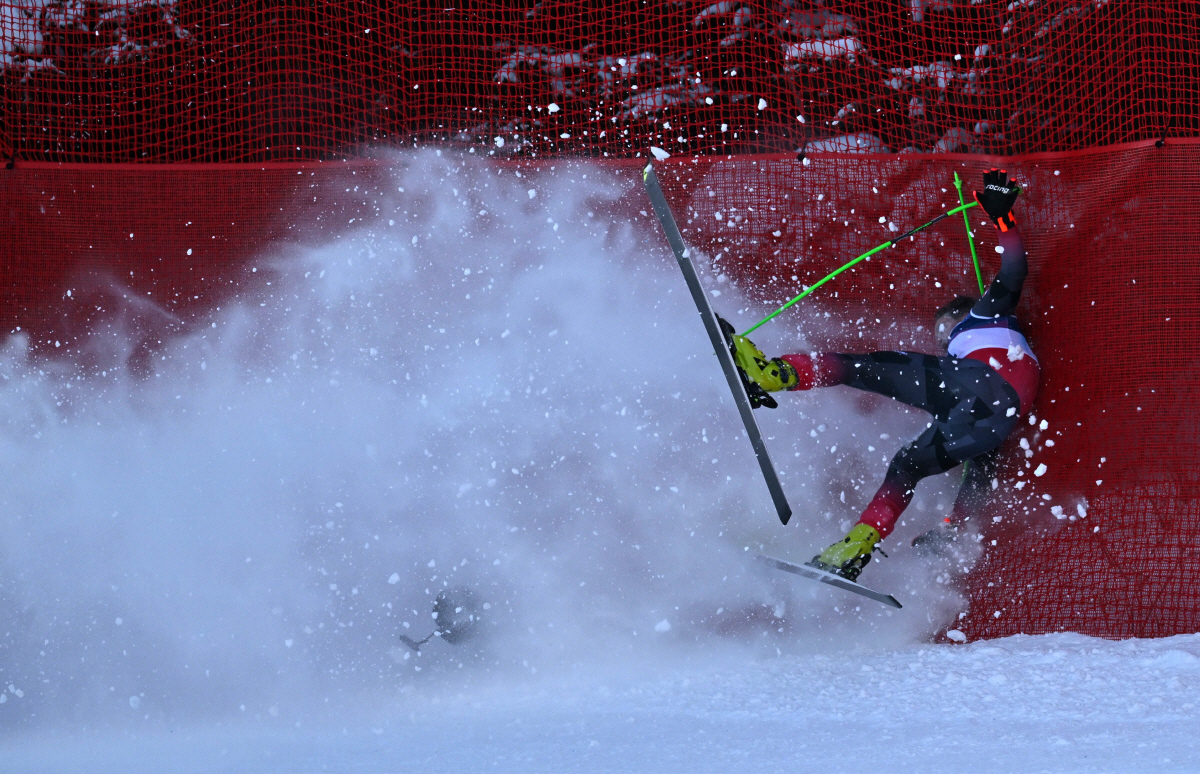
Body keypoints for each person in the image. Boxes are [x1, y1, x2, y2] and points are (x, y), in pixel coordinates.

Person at [730, 169, 1038, 582]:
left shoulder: (984, 315)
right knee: (907, 466)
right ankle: (857, 546)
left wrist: (1003, 217)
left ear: (964, 313)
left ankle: (773, 374)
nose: (942, 341)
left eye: (943, 329)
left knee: (859, 367)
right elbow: (979, 480)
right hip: (993, 419)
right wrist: (954, 531)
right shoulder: (985, 365)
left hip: (979, 382)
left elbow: (1014, 272)